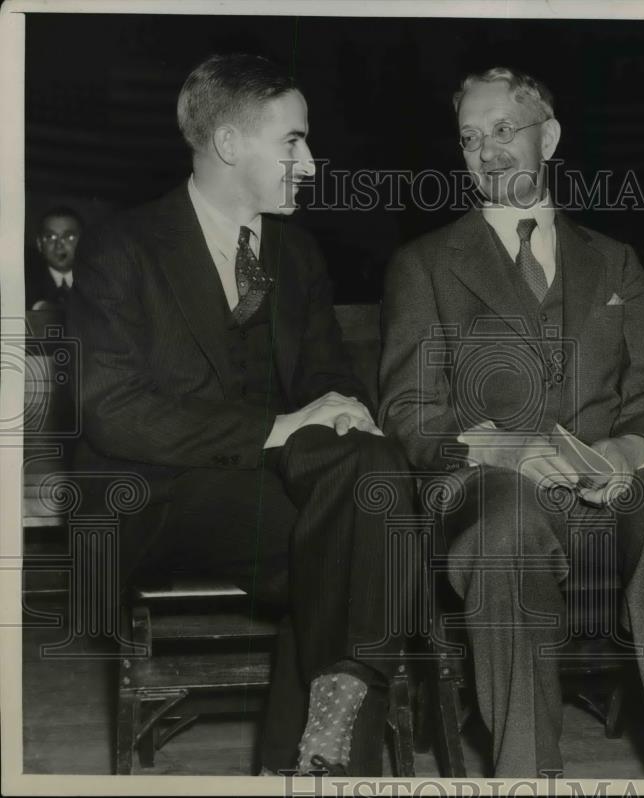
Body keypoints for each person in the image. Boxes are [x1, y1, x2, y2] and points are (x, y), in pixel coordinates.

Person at [379, 67, 644, 779]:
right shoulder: (422, 264)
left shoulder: (615, 260)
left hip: (609, 497)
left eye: (502, 131)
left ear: (547, 137)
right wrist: (508, 447)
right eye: (469, 138)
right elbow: (409, 412)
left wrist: (624, 448)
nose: (487, 153)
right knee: (508, 529)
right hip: (490, 494)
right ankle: (527, 777)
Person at [67, 53, 415, 777]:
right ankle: (321, 759)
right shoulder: (121, 247)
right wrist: (272, 429)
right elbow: (113, 412)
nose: (312, 163)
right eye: (293, 141)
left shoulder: (297, 253)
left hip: (271, 491)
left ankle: (319, 747)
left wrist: (346, 410)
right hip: (152, 497)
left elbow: (323, 374)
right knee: (363, 537)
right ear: (228, 145)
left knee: (370, 475)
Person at [28, 206, 82, 310]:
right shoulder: (27, 281)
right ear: (39, 244)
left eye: (69, 237)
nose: (59, 246)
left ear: (83, 242)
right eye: (50, 237)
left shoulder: (96, 281)